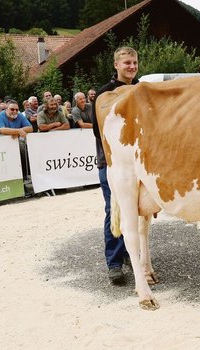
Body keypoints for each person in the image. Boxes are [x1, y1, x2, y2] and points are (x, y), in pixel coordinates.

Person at [91, 46, 138, 284]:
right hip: (110, 162)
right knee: (115, 209)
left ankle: (132, 253)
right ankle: (114, 262)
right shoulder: (104, 94)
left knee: (138, 211)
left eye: (134, 63)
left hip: (139, 163)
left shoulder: (142, 90)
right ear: (116, 65)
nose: (131, 66)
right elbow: (100, 134)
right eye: (127, 62)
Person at [0, 100, 33, 181]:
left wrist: (16, 131)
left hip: (11, 145)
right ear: (6, 109)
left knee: (23, 148)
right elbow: (2, 130)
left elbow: (30, 128)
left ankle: (25, 177)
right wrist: (18, 131)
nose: (15, 111)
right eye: (12, 109)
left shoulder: (19, 116)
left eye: (16, 109)